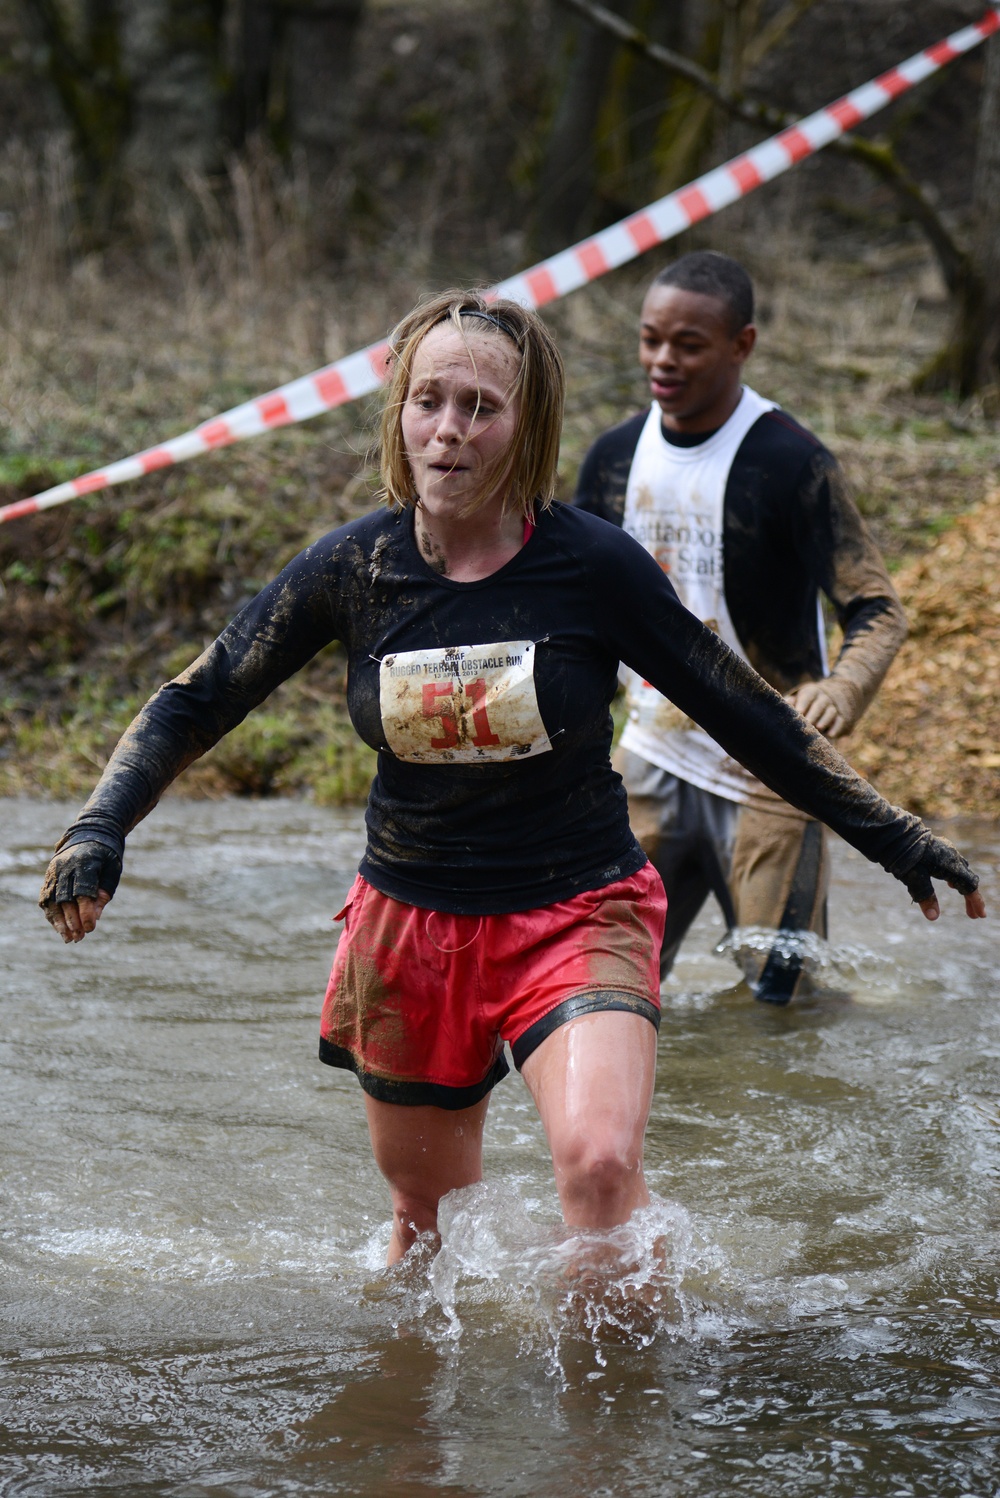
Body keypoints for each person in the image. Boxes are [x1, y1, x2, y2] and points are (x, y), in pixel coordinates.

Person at [39, 290, 984, 1268]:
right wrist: (100, 825)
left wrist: (891, 836)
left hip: (576, 909)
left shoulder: (592, 566)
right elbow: (198, 700)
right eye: (428, 401)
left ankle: (617, 1413)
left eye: (481, 408)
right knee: (422, 1228)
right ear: (398, 412)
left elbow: (742, 710)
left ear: (524, 427)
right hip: (412, 928)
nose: (449, 431)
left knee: (601, 1171)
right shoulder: (352, 570)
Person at [574, 250, 909, 1004]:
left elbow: (878, 608)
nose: (663, 360)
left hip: (768, 768)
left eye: (688, 344)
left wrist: (839, 691)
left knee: (780, 1001)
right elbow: (573, 607)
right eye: (650, 338)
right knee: (601, 990)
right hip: (649, 752)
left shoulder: (791, 462)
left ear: (742, 345)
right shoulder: (612, 460)